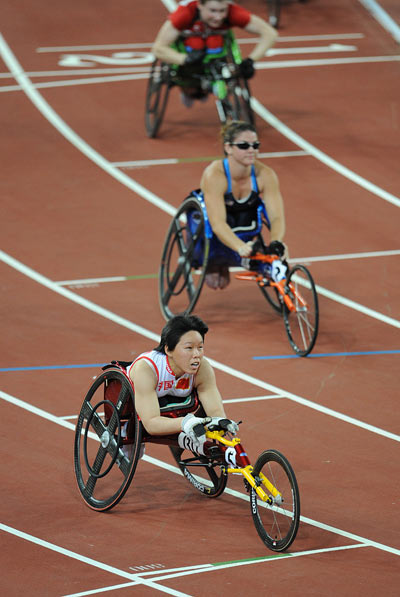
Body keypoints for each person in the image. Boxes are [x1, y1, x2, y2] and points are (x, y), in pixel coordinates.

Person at [127, 314, 238, 455]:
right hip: (138, 403)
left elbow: (214, 409)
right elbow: (151, 424)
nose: (196, 354)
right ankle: (127, 430)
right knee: (131, 455)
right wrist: (185, 422)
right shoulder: (147, 369)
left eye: (200, 347)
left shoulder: (202, 368)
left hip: (174, 401)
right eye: (189, 348)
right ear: (168, 350)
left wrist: (220, 421)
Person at [198, 119, 287, 289]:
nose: (252, 150)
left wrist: (276, 242)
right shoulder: (215, 175)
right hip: (217, 239)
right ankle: (217, 263)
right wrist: (239, 247)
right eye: (244, 146)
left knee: (271, 255)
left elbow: (276, 217)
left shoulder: (266, 175)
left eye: (255, 145)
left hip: (247, 230)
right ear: (228, 148)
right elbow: (217, 223)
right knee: (217, 276)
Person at [152, 0, 277, 106]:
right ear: (200, 5)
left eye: (222, 11)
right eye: (213, 11)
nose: (218, 17)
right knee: (196, 45)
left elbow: (270, 33)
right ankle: (189, 88)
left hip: (216, 50)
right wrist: (184, 59)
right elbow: (158, 48)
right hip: (188, 51)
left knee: (214, 41)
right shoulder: (185, 13)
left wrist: (251, 60)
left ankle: (212, 82)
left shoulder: (233, 12)